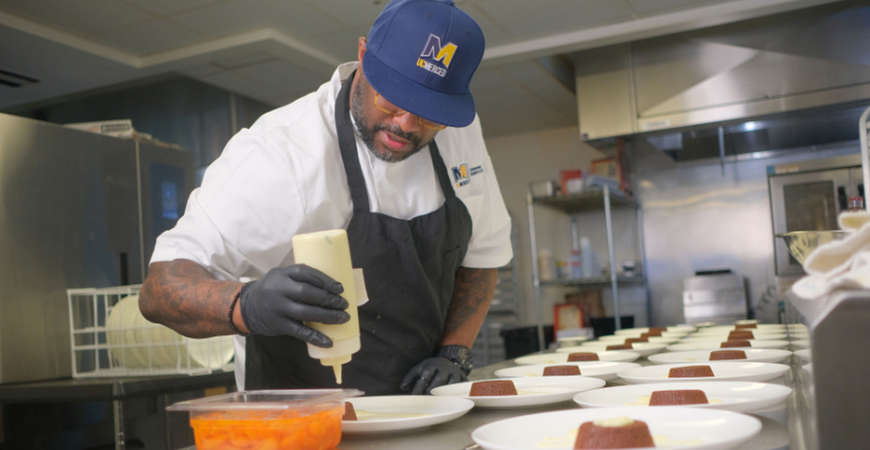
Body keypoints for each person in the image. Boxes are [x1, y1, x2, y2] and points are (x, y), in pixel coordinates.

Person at [139, 0, 512, 395]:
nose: (405, 124)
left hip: (420, 410)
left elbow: (482, 258)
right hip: (300, 420)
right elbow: (160, 290)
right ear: (363, 56)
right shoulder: (279, 153)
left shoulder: (456, 130)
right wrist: (244, 305)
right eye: (393, 98)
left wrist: (455, 350)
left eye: (428, 113)